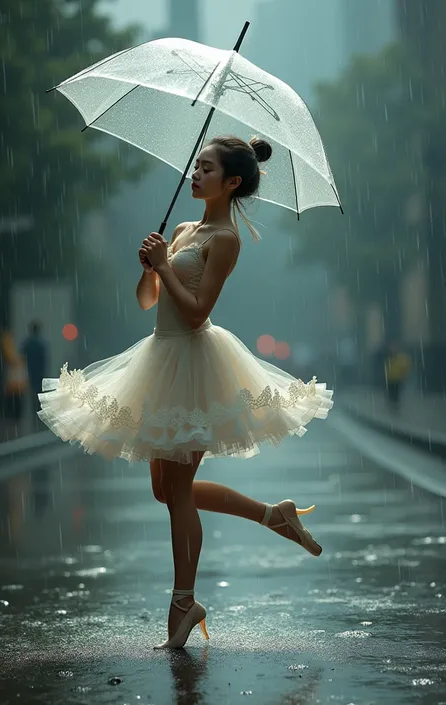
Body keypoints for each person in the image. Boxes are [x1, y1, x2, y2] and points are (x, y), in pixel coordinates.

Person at [38, 135, 333, 649]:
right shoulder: (182, 229)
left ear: (232, 182)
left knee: (176, 494)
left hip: (195, 365)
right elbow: (148, 301)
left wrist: (167, 266)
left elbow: (197, 311)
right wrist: (149, 267)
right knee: (165, 491)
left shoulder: (226, 240)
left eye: (207, 169)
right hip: (159, 356)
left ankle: (183, 601)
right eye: (196, 166)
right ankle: (271, 514)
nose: (195, 175)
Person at [21, 321, 48, 416]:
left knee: (31, 391)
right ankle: (38, 410)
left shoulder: (27, 343)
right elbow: (44, 359)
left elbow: (22, 355)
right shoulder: (41, 343)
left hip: (29, 370)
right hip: (38, 371)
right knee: (38, 391)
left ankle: (33, 411)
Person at [384, 340, 410, 411]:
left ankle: (395, 406)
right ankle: (392, 405)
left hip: (397, 378)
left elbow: (405, 367)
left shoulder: (401, 357)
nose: (393, 349)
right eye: (391, 347)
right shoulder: (389, 357)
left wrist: (404, 375)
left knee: (396, 392)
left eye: (394, 347)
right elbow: (387, 367)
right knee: (391, 392)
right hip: (390, 378)